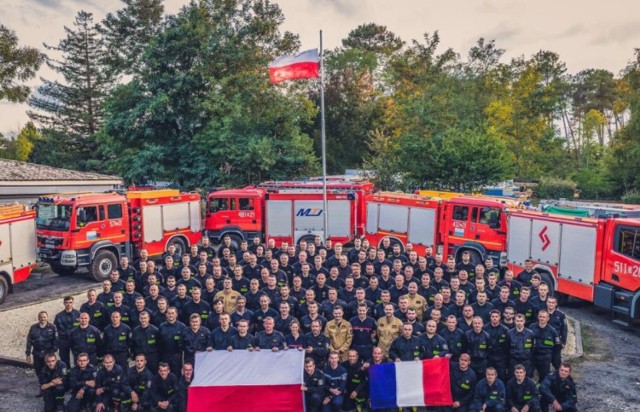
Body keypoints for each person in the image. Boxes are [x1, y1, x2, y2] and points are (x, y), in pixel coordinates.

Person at [530, 310, 560, 381]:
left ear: (548, 318)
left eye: (544, 317)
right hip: (533, 356)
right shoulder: (531, 327)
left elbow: (557, 348)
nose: (542, 318)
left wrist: (556, 363)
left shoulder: (553, 331)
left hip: (545, 358)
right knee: (529, 375)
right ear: (538, 317)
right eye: (540, 316)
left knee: (544, 377)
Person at [26, 311, 58, 376]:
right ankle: (42, 384)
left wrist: (51, 353)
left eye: (44, 317)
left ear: (47, 317)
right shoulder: (33, 327)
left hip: (48, 353)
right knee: (38, 371)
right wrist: (28, 354)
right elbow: (29, 341)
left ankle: (49, 384)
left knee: (49, 371)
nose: (43, 319)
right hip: (37, 354)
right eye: (41, 317)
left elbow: (56, 341)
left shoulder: (52, 327)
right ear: (38, 318)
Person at [158, 307, 187, 375]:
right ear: (166, 314)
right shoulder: (161, 327)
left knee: (177, 375)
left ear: (176, 314)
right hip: (165, 356)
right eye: (169, 313)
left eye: (172, 313)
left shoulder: (182, 327)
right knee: (164, 375)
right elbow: (159, 342)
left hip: (177, 357)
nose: (171, 315)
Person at [54, 296, 80, 369]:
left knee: (78, 358)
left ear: (73, 303)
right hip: (63, 340)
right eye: (66, 303)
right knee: (64, 360)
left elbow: (82, 326)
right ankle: (66, 376)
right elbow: (55, 330)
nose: (68, 304)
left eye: (70, 302)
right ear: (64, 303)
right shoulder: (59, 316)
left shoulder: (78, 314)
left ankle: (77, 375)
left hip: (75, 340)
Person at [507, 314, 535, 378]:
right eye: (517, 321)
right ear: (514, 321)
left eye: (521, 321)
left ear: (524, 321)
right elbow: (507, 348)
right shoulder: (509, 333)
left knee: (527, 378)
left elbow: (533, 348)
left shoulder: (530, 333)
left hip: (526, 361)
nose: (519, 323)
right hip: (513, 361)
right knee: (512, 378)